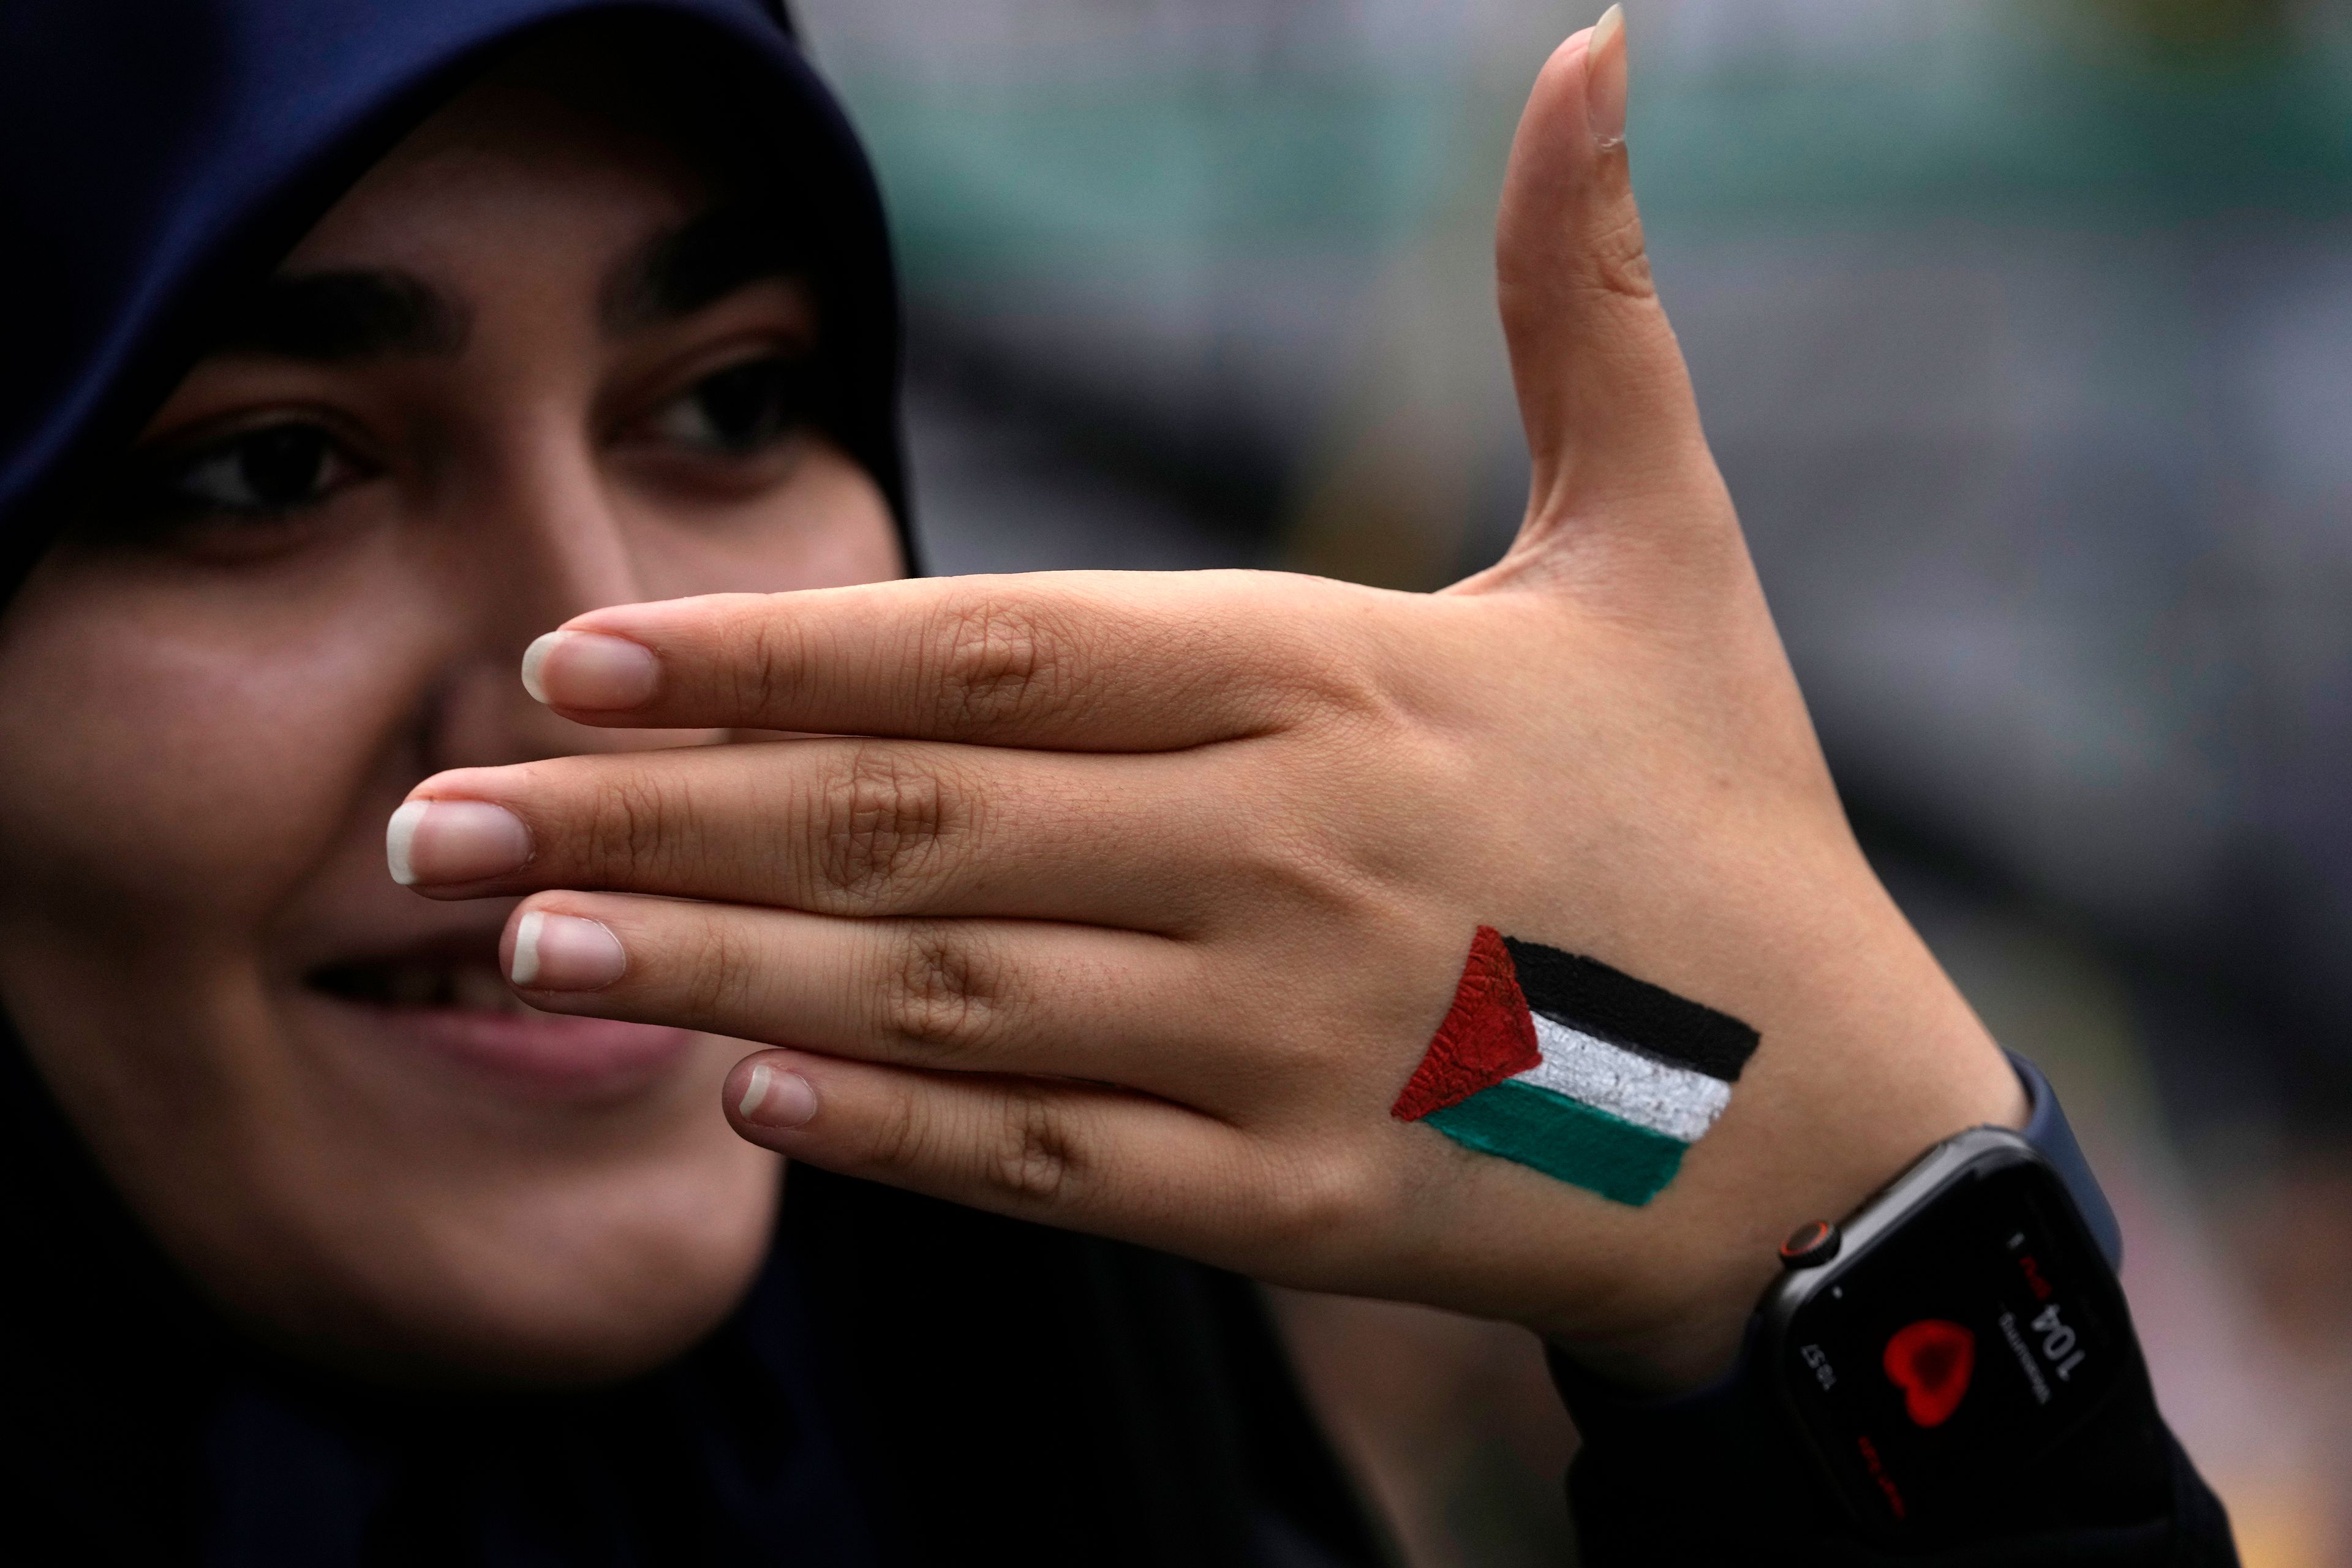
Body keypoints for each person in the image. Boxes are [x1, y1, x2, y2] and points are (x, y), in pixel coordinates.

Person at [0, 0, 2238, 1562]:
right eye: (267, 469)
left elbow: (1575, 1096)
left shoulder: (1038, 1299)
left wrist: (1821, 1234)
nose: (608, 692)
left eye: (730, 405)